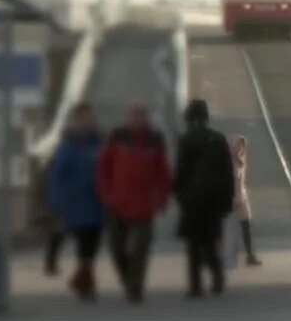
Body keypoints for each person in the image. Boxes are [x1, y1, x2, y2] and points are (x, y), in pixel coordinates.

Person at [96, 103, 170, 304]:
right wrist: (106, 194)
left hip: (145, 204)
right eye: (134, 116)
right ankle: (129, 280)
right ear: (128, 118)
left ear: (146, 118)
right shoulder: (118, 137)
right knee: (116, 247)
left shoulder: (155, 140)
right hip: (117, 202)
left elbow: (162, 173)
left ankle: (135, 287)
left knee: (141, 248)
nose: (137, 120)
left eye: (141, 116)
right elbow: (105, 167)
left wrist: (162, 199)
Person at [174, 99, 235, 298]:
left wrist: (178, 194)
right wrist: (227, 200)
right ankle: (217, 274)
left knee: (193, 243)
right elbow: (227, 173)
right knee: (210, 241)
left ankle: (195, 285)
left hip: (192, 200)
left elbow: (180, 172)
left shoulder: (186, 140)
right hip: (214, 200)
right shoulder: (218, 139)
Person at [47, 103, 105, 300]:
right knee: (84, 243)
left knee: (93, 244)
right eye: (84, 118)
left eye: (90, 117)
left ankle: (81, 280)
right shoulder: (69, 144)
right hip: (77, 203)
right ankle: (86, 284)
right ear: (77, 121)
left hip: (97, 202)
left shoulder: (99, 142)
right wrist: (56, 204)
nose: (88, 122)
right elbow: (58, 175)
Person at [230, 135, 261, 267]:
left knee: (246, 226)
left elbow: (241, 181)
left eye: (242, 146)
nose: (240, 149)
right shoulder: (229, 161)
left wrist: (241, 197)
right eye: (238, 146)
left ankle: (249, 255)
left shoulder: (241, 160)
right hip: (230, 197)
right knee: (225, 228)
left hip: (241, 196)